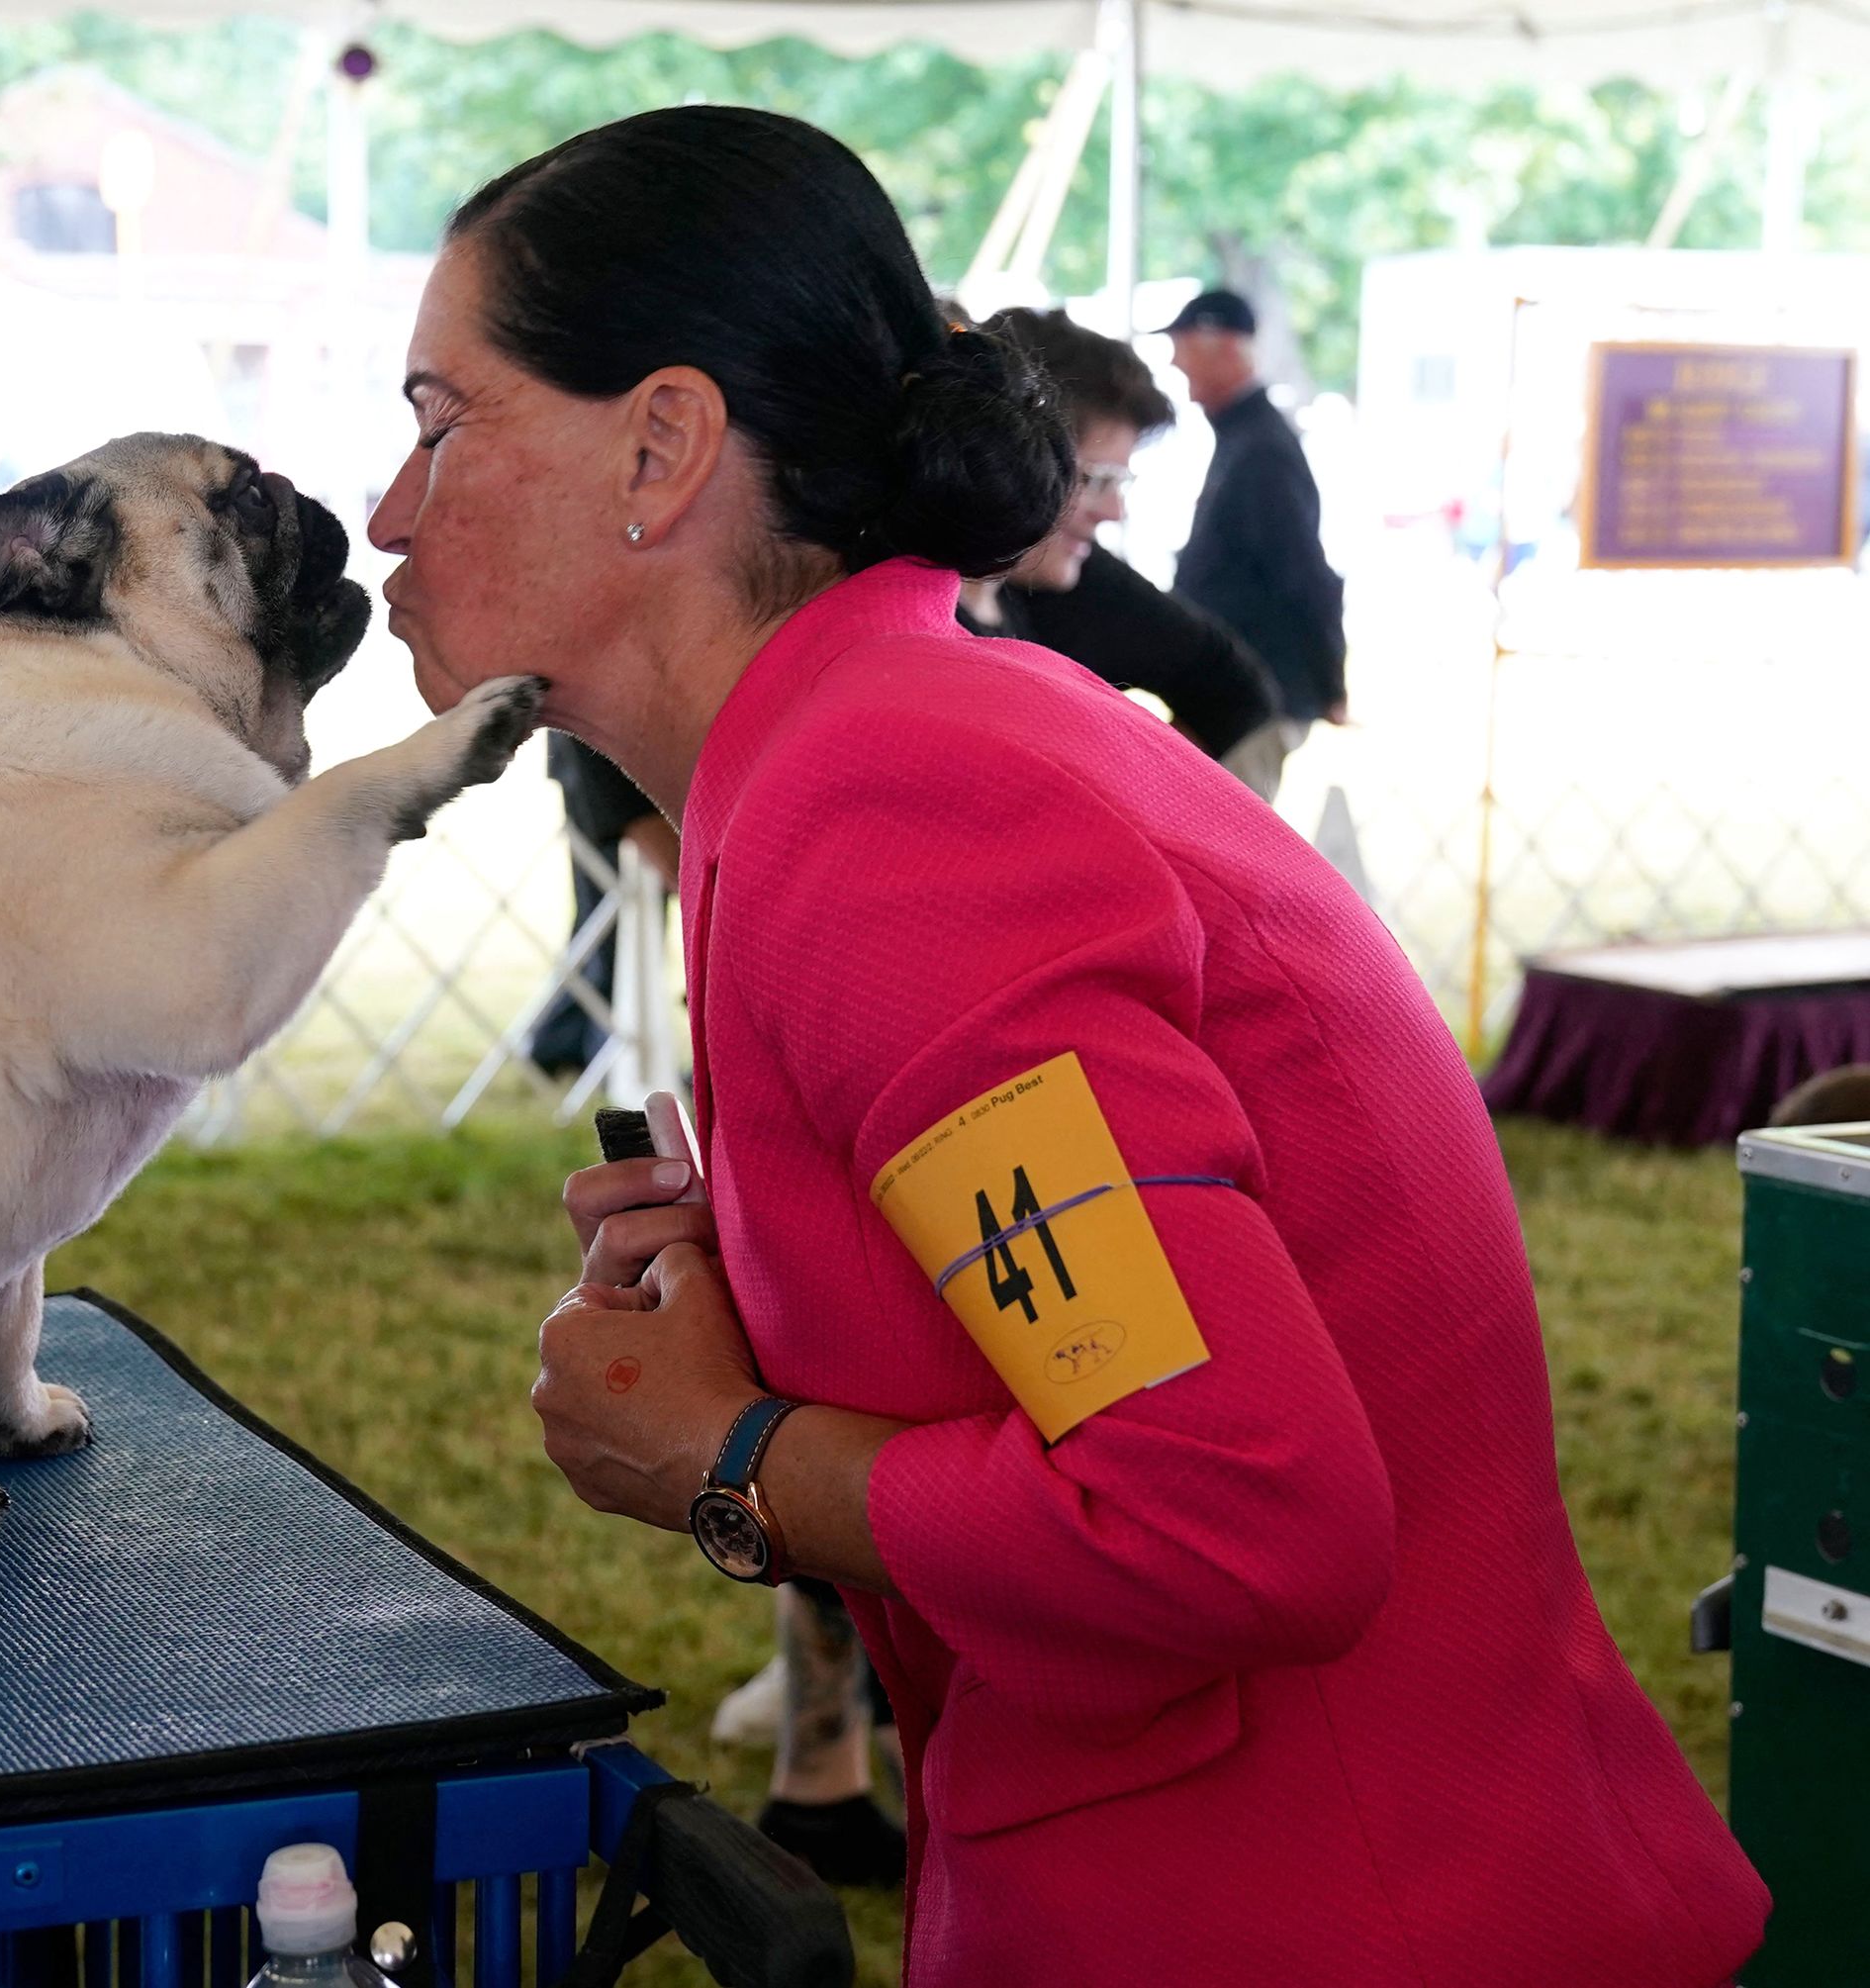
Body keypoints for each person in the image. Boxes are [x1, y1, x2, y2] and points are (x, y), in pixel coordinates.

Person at [368, 106, 1766, 1982]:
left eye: (443, 420)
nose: (389, 506)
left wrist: (736, 1451)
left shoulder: (884, 804)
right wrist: (782, 1283)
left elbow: (1238, 1513)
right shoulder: (870, 738)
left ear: (662, 443)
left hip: (1319, 1915)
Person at [956, 308, 1277, 771]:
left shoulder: (1066, 582)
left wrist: (1130, 799)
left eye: (1118, 484)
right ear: (1010, 453)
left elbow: (1232, 688)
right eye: (1095, 480)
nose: (1114, 512)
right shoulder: (918, 610)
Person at [1162, 288, 1348, 796]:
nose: (1176, 363)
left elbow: (1305, 572)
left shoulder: (1263, 450)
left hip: (1257, 695)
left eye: (1182, 347)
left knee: (1222, 847)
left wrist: (1330, 681)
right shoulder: (1245, 439)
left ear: (1220, 345)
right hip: (1235, 692)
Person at [525, 733, 678, 1082]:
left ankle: (564, 1042)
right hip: (603, 765)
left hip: (627, 759)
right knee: (613, 925)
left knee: (610, 923)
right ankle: (596, 1052)